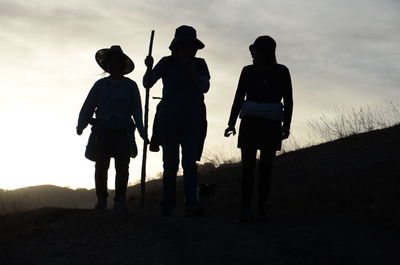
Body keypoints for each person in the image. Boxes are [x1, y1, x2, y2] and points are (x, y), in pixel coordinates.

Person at [143, 25, 210, 217]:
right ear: (178, 45)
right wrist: (148, 68)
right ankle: (168, 204)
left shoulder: (200, 64)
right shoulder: (166, 63)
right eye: (188, 45)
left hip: (193, 119)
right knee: (170, 163)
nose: (191, 49)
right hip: (169, 118)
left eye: (193, 45)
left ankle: (191, 203)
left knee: (189, 162)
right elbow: (148, 83)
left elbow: (205, 87)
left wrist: (192, 70)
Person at [225, 36, 293, 222]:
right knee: (247, 169)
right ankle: (246, 208)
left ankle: (261, 209)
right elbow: (238, 97)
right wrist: (231, 123)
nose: (252, 54)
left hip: (271, 125)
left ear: (265, 52)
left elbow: (288, 100)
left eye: (255, 51)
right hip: (249, 124)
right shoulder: (247, 71)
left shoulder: (282, 71)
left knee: (266, 169)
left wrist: (286, 124)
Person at [77, 45, 146, 211]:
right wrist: (82, 124)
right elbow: (89, 105)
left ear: (121, 64)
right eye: (111, 62)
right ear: (107, 65)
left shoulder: (130, 86)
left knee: (122, 167)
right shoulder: (100, 85)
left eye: (117, 62)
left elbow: (137, 109)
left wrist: (142, 130)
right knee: (101, 166)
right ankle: (101, 199)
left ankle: (120, 200)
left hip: (123, 131)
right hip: (103, 130)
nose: (113, 65)